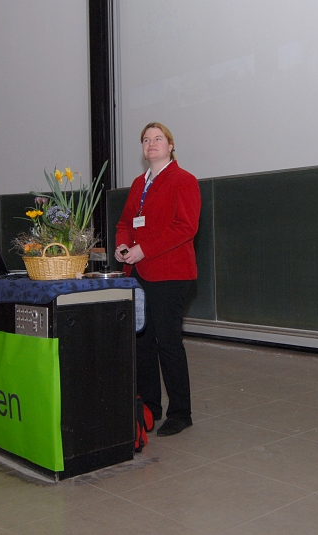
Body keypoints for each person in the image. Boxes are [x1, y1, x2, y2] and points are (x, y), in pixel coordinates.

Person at [115, 122, 201, 437]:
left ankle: (181, 413)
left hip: (170, 274)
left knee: (167, 341)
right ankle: (150, 407)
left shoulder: (184, 180)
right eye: (146, 140)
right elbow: (125, 222)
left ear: (170, 146)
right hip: (138, 272)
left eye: (158, 139)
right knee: (142, 342)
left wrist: (144, 249)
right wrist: (123, 245)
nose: (151, 144)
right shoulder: (139, 183)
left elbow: (185, 227)